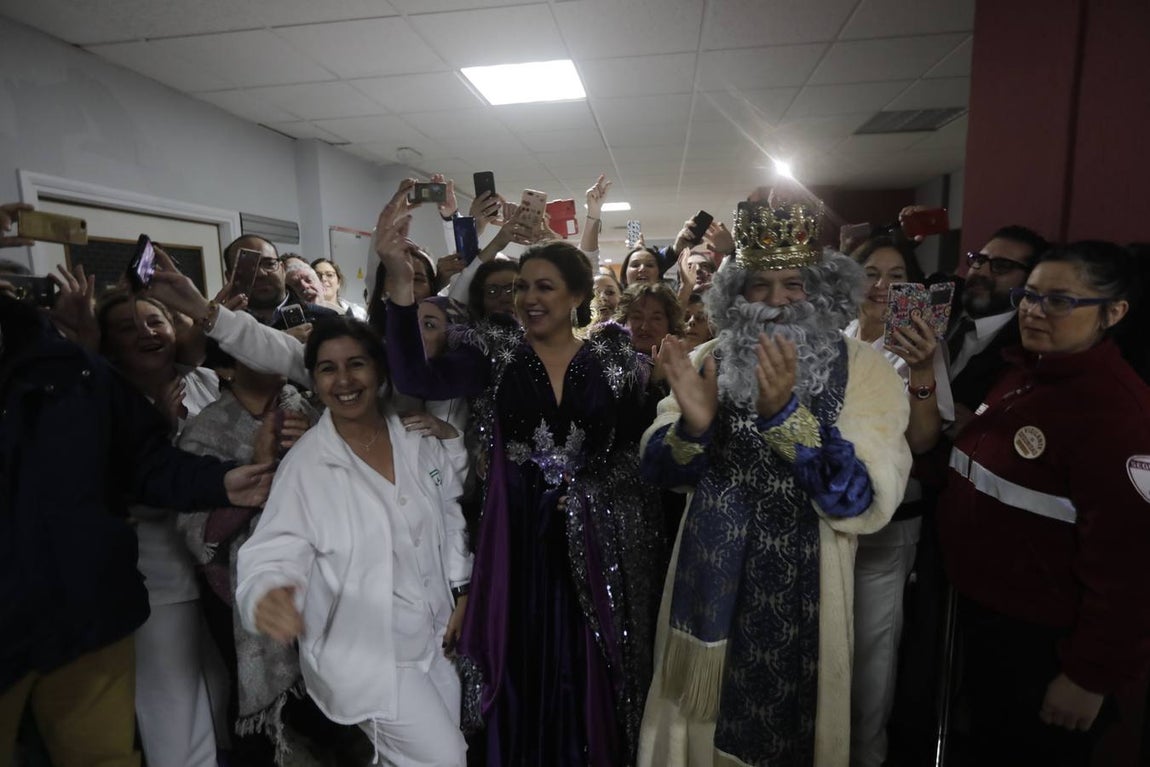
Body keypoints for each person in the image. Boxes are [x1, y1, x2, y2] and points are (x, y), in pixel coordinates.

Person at [378, 201, 664, 765]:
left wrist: (595, 498)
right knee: (520, 652)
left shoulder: (615, 362)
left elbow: (640, 459)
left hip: (594, 541)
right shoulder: (496, 351)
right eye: (523, 288)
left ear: (578, 296)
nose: (530, 298)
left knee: (588, 659)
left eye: (546, 287)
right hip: (514, 536)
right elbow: (412, 375)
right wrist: (396, 277)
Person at [636, 197, 911, 767]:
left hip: (808, 585)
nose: (777, 301)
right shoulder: (710, 355)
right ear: (737, 292)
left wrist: (788, 418)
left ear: (822, 288)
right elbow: (659, 472)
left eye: (794, 283)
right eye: (760, 285)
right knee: (694, 731)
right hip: (705, 576)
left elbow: (864, 499)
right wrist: (694, 426)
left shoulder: (865, 368)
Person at [0, 216, 272, 765]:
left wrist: (219, 481)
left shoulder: (77, 377)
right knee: (170, 705)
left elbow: (146, 464)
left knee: (115, 747)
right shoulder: (89, 369)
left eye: (15, 296)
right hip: (25, 612)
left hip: (89, 606)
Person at [936, 241, 1150, 766]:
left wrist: (1087, 676)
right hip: (980, 616)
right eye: (1029, 295)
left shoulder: (1116, 414)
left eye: (1059, 301)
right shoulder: (1026, 373)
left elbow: (1131, 565)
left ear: (1113, 312)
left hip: (1041, 643)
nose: (1033, 310)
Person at [236, 318, 472, 766]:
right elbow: (275, 548)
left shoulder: (412, 435)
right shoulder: (308, 466)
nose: (343, 380)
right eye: (327, 368)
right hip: (372, 656)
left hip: (436, 639)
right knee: (445, 760)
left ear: (380, 371)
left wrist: (463, 590)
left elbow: (449, 510)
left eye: (356, 364)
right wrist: (268, 592)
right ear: (314, 380)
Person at [844, 236, 953, 767]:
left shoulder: (918, 346)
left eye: (895, 275)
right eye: (870, 272)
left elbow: (924, 441)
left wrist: (924, 371)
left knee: (871, 656)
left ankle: (867, 755)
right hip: (823, 518)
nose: (882, 286)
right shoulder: (834, 336)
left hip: (887, 524)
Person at [614, 282, 684, 356]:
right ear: (623, 321)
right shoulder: (606, 363)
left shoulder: (684, 365)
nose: (645, 327)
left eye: (655, 318)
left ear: (670, 324)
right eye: (637, 317)